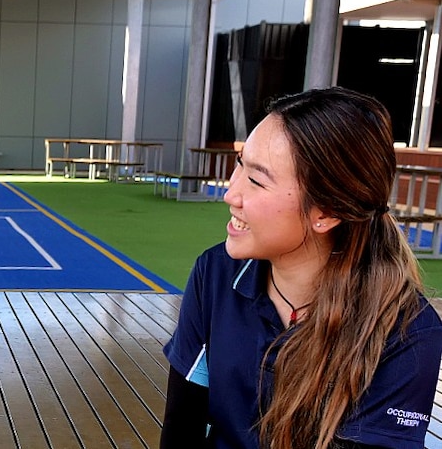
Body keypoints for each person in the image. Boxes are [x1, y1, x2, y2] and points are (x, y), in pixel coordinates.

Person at [160, 87, 442, 449]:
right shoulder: (216, 274)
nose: (231, 193)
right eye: (240, 164)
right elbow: (182, 425)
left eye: (257, 180)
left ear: (325, 213)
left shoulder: (406, 332)